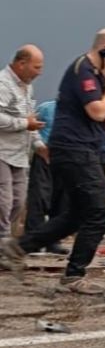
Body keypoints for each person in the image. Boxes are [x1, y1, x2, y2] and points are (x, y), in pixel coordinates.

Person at [1, 31, 105, 295]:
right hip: (75, 151)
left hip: (77, 151)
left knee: (76, 215)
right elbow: (98, 110)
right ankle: (73, 275)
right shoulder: (84, 71)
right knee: (97, 213)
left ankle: (18, 247)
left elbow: (101, 120)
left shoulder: (94, 72)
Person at [0, 45, 47, 239]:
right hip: (1, 151)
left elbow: (30, 120)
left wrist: (39, 145)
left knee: (19, 200)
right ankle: (3, 243)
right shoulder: (3, 84)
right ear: (21, 64)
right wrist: (23, 123)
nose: (40, 72)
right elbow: (25, 121)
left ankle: (5, 238)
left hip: (19, 154)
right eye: (36, 67)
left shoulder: (27, 86)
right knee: (4, 200)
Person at [23, 99, 68, 254]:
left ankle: (53, 241)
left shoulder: (78, 111)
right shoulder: (46, 108)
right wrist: (39, 146)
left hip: (66, 157)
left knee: (61, 200)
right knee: (39, 197)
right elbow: (31, 126)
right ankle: (32, 239)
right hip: (44, 155)